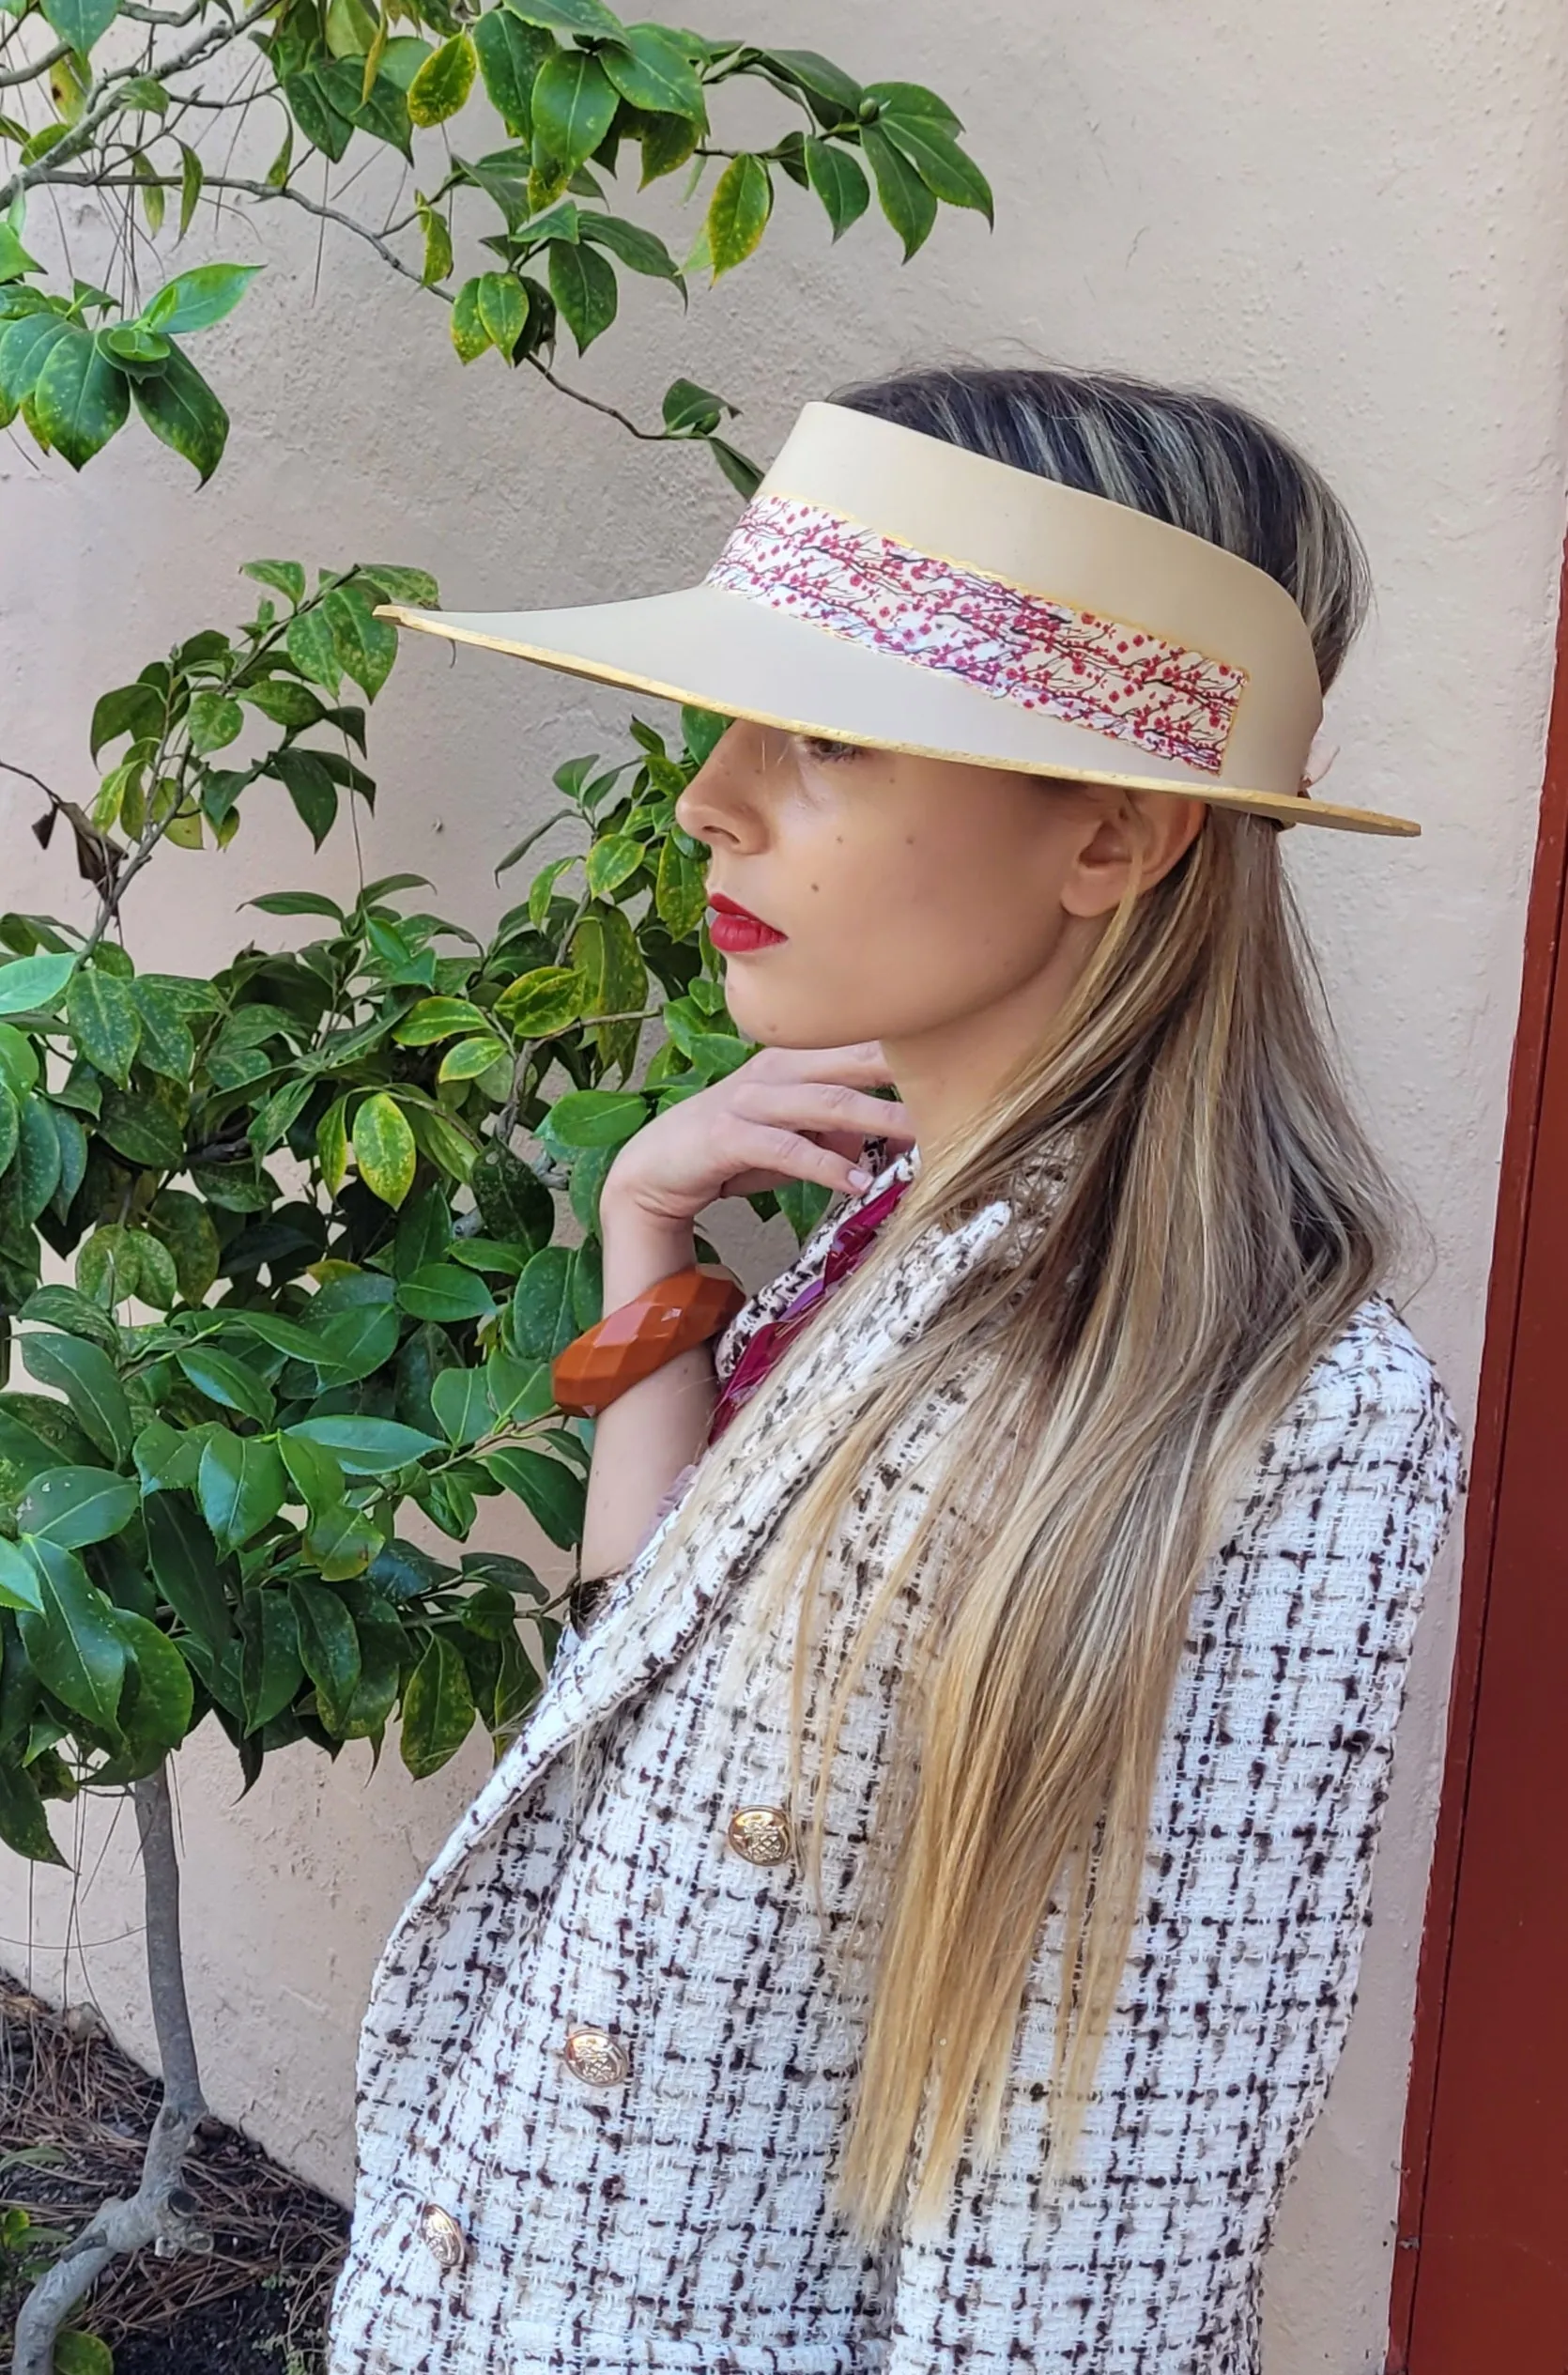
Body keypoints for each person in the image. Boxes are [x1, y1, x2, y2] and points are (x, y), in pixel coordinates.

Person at [328, 366, 1463, 2373]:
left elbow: (1091, 2251)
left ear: (1107, 835)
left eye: (830, 735)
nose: (711, 795)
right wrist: (647, 1254)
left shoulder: (1278, 1419)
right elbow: (643, 1656)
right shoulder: (903, 1228)